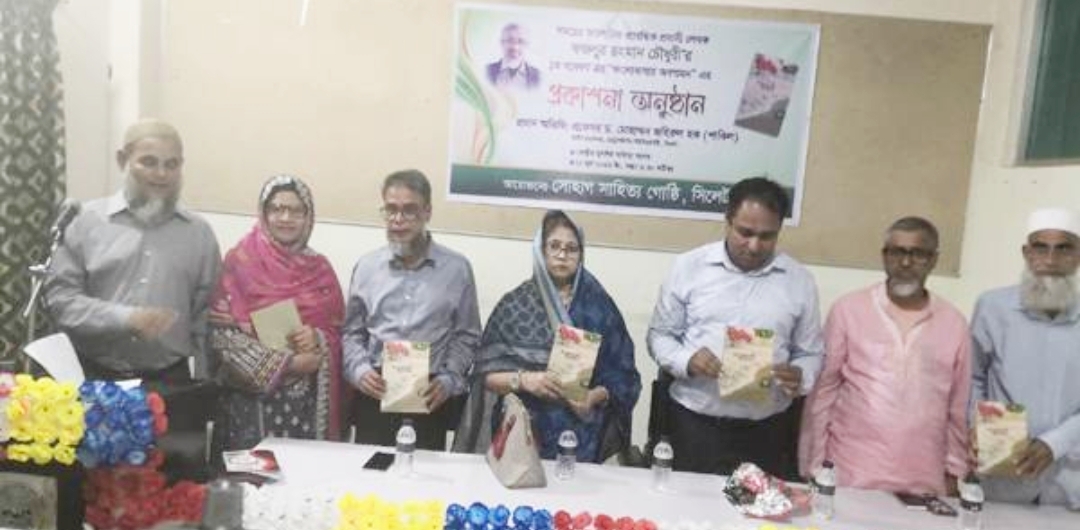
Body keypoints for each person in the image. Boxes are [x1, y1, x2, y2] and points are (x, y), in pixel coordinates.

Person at [647, 176, 823, 479]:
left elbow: (811, 352)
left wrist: (801, 375)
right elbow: (659, 336)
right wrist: (687, 360)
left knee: (760, 509)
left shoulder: (799, 281)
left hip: (765, 431)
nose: (754, 246)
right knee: (687, 507)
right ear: (727, 221)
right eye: (745, 232)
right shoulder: (688, 267)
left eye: (767, 236)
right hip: (694, 425)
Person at [799, 217, 970, 495]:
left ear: (933, 260)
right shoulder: (849, 310)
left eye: (918, 253)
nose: (906, 262)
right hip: (851, 475)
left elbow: (958, 407)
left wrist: (955, 471)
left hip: (924, 482)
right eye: (897, 252)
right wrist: (814, 465)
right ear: (884, 256)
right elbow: (824, 392)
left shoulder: (954, 323)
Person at [454, 210, 641, 462]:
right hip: (522, 436)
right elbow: (485, 376)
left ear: (581, 254)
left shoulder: (600, 307)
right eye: (554, 246)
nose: (562, 255)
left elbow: (625, 376)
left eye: (571, 248)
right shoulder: (514, 305)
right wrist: (524, 380)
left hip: (583, 440)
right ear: (541, 251)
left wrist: (593, 396)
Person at [45, 119, 220, 383]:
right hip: (93, 378)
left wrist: (203, 380)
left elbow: (206, 316)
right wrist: (125, 318)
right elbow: (62, 302)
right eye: (149, 162)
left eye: (171, 164)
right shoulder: (85, 222)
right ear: (122, 160)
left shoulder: (199, 234)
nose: (161, 174)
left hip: (170, 382)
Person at [342, 169, 481, 450]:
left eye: (409, 210)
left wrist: (449, 379)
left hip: (430, 395)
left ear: (427, 212)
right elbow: (351, 333)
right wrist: (359, 370)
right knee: (372, 472)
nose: (398, 219)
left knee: (425, 475)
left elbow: (467, 336)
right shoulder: (367, 267)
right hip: (376, 391)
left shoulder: (457, 269)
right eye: (391, 210)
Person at [208, 175, 345, 449]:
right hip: (248, 406)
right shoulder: (239, 263)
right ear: (264, 213)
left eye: (296, 210)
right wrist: (288, 365)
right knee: (249, 473)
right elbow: (222, 336)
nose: (286, 218)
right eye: (277, 209)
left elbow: (340, 333)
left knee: (303, 473)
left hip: (306, 411)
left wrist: (317, 338)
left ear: (308, 217)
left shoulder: (320, 270)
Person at [971, 207, 1080, 509]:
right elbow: (973, 377)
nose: (1051, 260)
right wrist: (978, 429)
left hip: (1069, 482)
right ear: (1026, 253)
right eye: (1040, 247)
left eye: (1064, 249)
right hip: (1003, 476)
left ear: (1078, 255)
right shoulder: (992, 307)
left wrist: (1055, 443)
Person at [486, 23, 541, 89]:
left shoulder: (538, 76)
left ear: (527, 45)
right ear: (502, 43)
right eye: (510, 40)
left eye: (520, 41)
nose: (515, 47)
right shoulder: (487, 71)